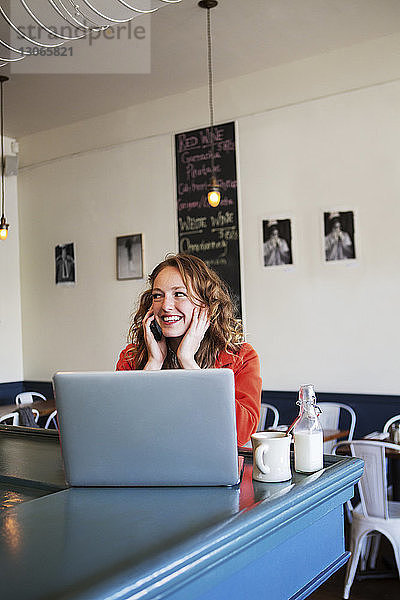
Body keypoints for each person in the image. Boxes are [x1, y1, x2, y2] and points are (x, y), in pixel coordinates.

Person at [116, 253, 262, 447]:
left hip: (210, 470)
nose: (166, 306)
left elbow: (240, 435)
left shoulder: (241, 357)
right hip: (147, 466)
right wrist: (153, 364)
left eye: (179, 294)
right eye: (158, 295)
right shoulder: (131, 357)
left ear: (205, 304)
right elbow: (122, 431)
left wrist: (188, 362)